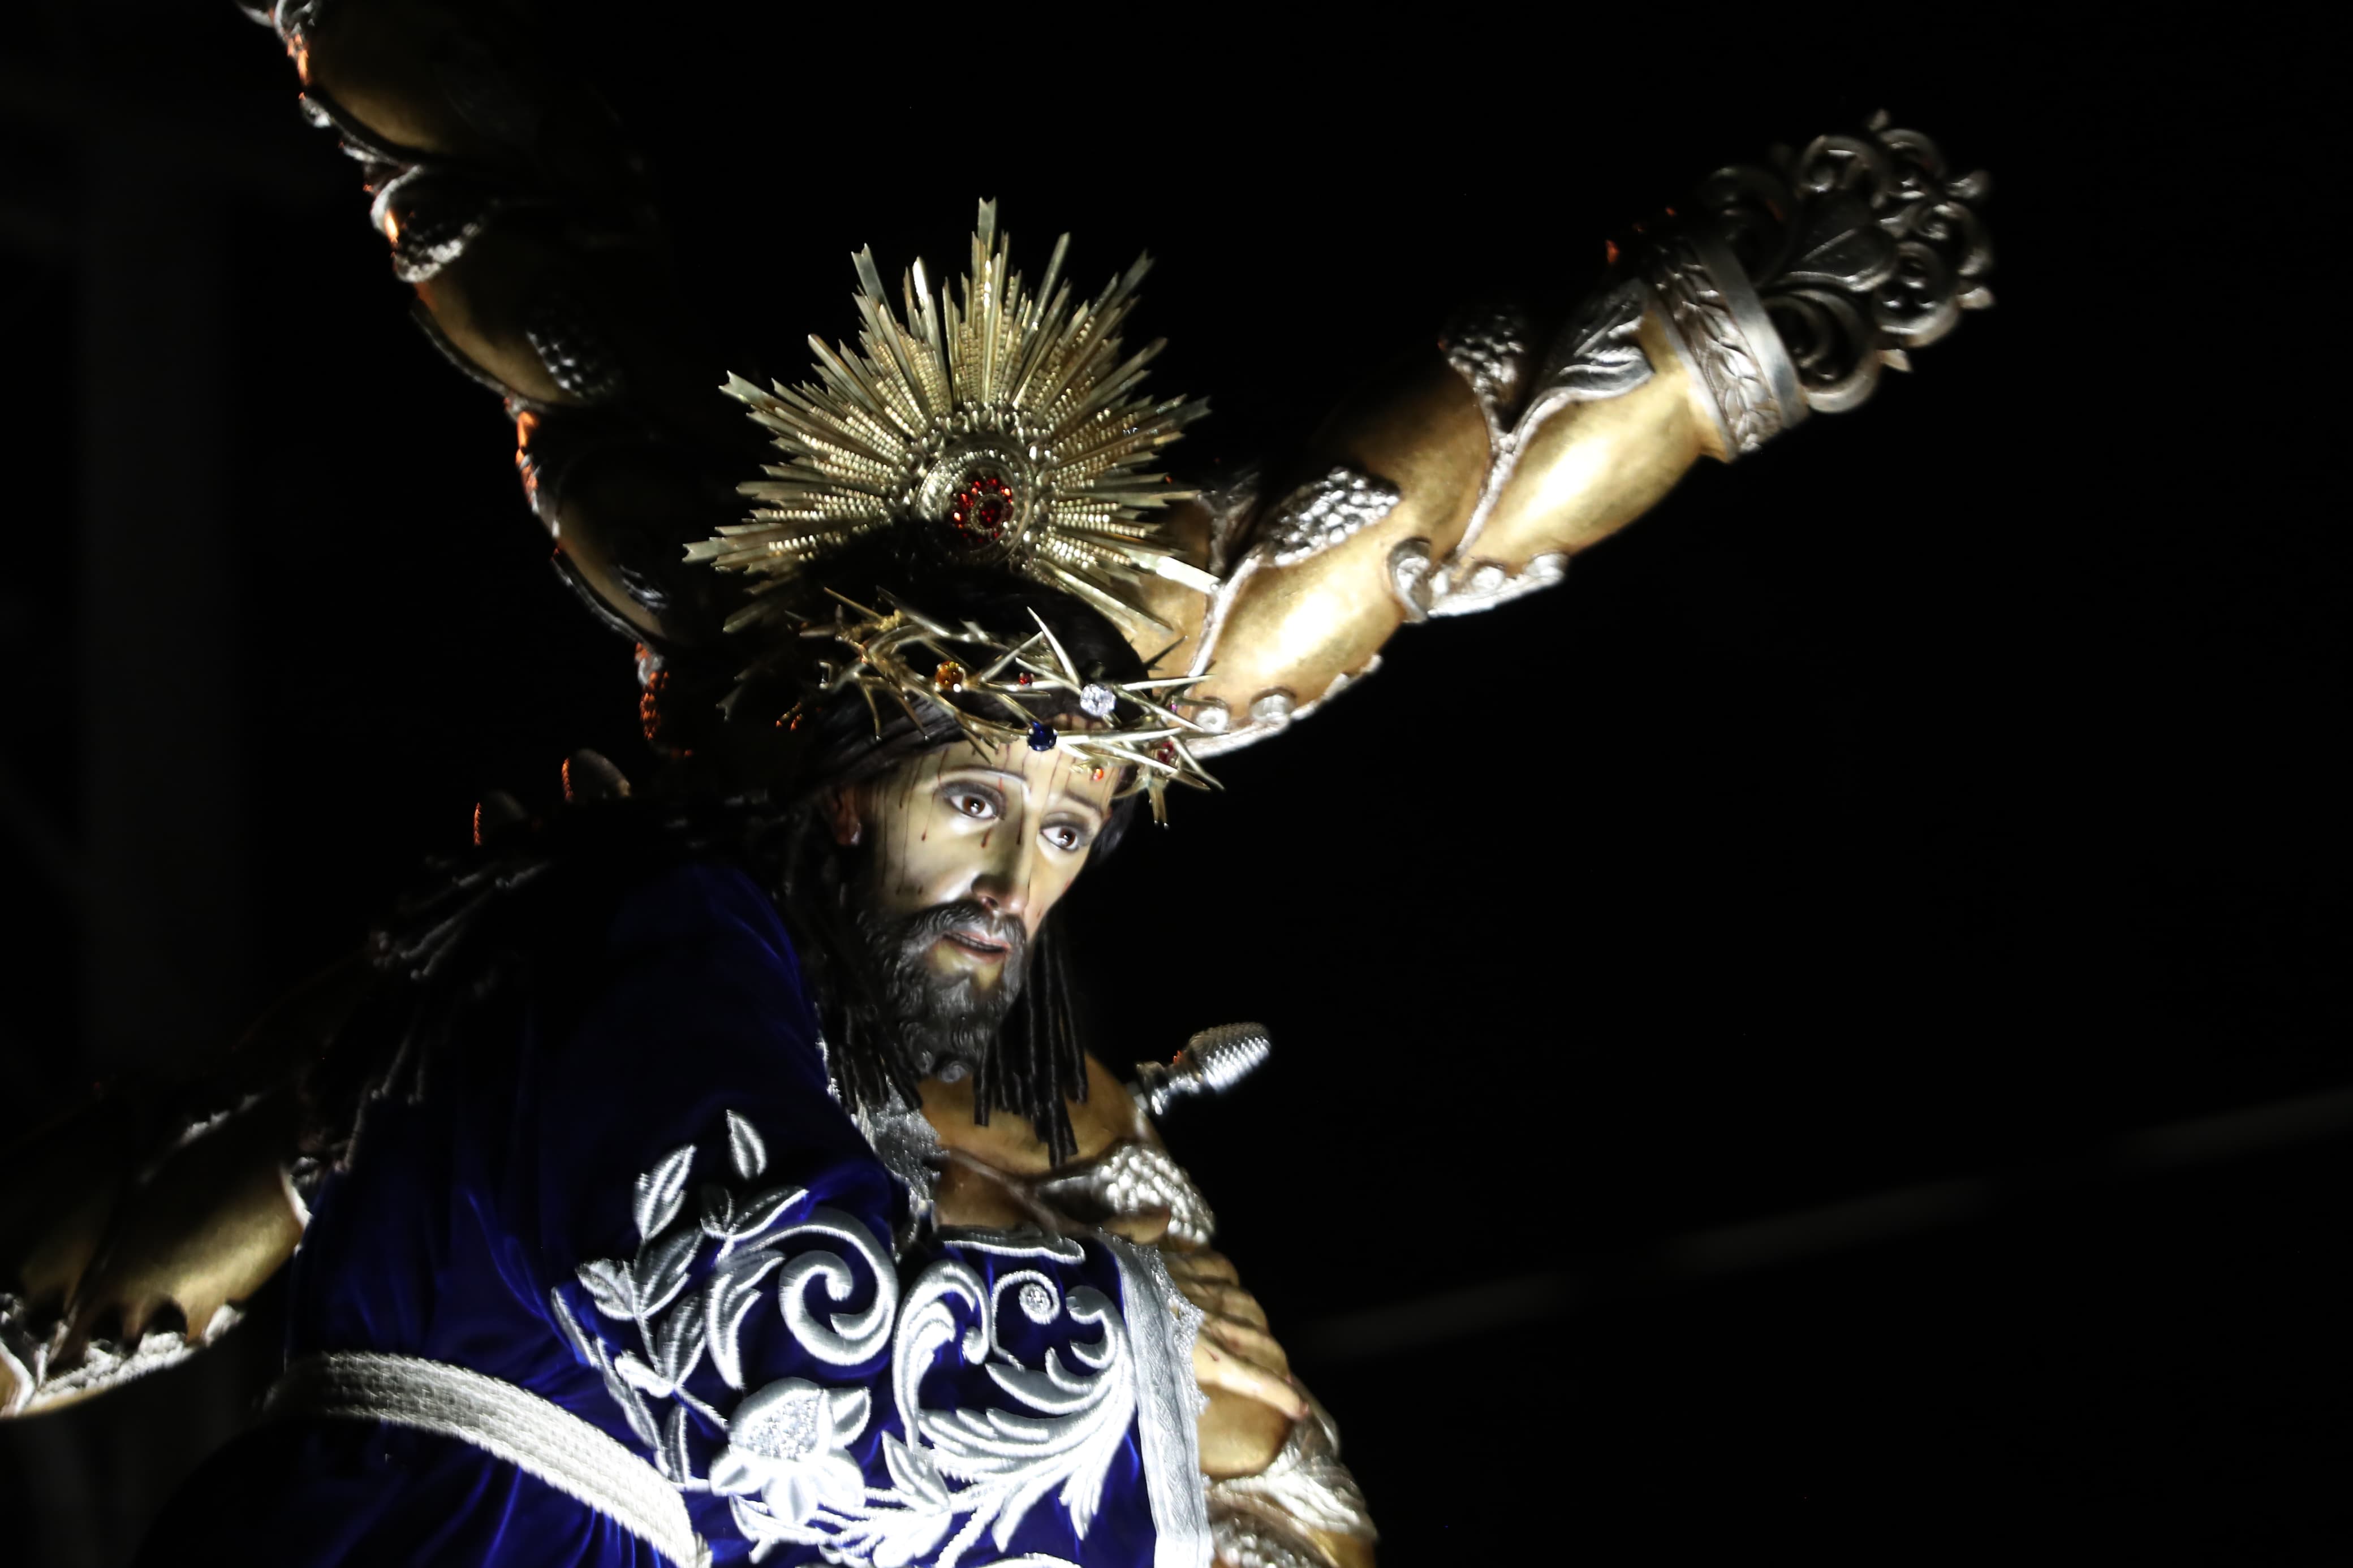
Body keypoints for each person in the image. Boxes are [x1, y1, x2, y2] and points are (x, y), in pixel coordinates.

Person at [0, 4, 1993, 1565]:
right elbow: (771, 1338)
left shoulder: (889, 1087)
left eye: (1064, 829)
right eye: (973, 801)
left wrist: (1720, 338)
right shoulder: (648, 934)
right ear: (829, 782)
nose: (1019, 881)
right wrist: (1130, 1332)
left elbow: (1380, 560)